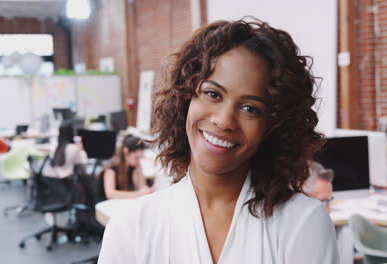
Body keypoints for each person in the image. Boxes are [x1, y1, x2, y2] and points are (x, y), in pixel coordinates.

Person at [98, 19, 338, 263]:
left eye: (250, 108)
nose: (224, 121)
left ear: (274, 126)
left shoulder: (302, 223)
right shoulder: (130, 228)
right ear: (185, 98)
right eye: (213, 94)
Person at [102, 135, 156, 199]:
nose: (138, 161)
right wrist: (138, 194)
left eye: (140, 157)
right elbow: (110, 194)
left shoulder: (135, 167)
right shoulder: (111, 170)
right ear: (126, 151)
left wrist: (138, 172)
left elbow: (142, 188)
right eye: (136, 157)